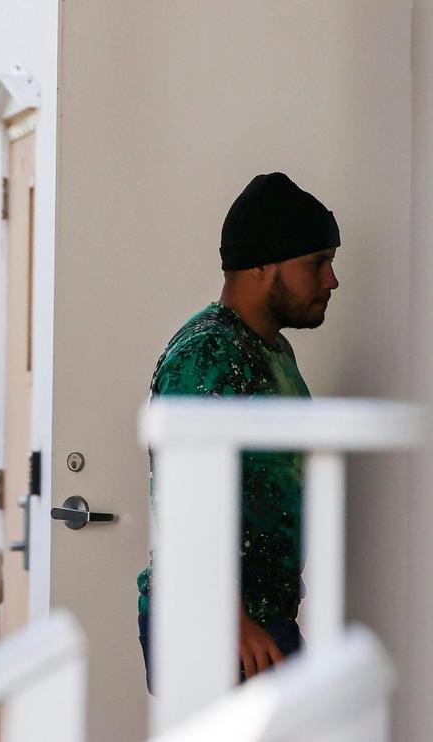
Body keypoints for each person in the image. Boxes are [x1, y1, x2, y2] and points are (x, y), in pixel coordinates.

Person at [136, 172, 341, 689]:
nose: (331, 280)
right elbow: (183, 493)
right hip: (219, 627)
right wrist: (231, 621)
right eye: (316, 263)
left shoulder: (272, 349)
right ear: (261, 265)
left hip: (258, 623)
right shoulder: (208, 353)